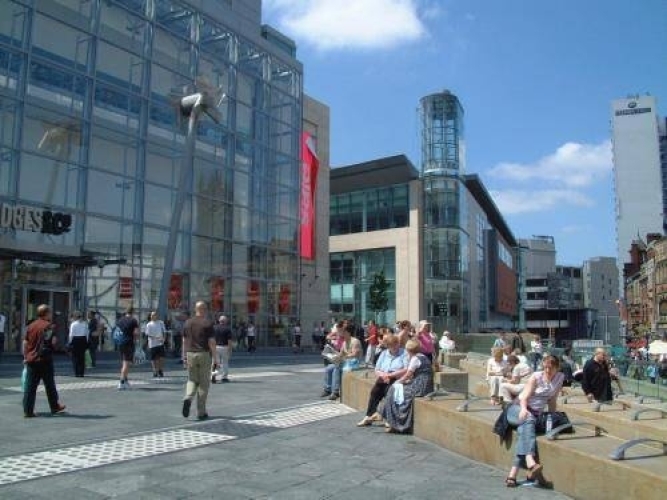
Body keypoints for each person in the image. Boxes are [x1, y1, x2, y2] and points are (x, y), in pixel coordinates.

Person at [504, 354, 564, 488]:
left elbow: (552, 400)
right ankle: (530, 461)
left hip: (533, 415)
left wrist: (552, 416)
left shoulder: (560, 378)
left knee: (524, 433)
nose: (547, 370)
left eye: (551, 368)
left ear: (557, 368)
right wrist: (524, 409)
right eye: (546, 367)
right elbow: (523, 397)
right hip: (517, 409)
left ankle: (512, 475)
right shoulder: (536, 376)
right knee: (528, 419)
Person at [381, 339, 434, 434]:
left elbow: (408, 375)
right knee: (396, 390)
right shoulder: (423, 357)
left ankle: (395, 421)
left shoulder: (415, 359)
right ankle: (388, 417)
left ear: (408, 350)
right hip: (427, 385)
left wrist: (397, 382)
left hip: (420, 386)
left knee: (394, 389)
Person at [22, 304, 66, 417]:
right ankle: (54, 406)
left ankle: (28, 410)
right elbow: (52, 341)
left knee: (30, 386)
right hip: (44, 359)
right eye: (49, 313)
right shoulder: (48, 326)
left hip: (31, 359)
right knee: (49, 384)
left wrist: (25, 356)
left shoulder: (31, 326)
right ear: (46, 313)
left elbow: (25, 342)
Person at [356, 334, 408, 426]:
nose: (395, 347)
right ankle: (369, 416)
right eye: (391, 346)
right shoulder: (384, 353)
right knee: (374, 392)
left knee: (389, 392)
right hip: (383, 376)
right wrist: (384, 375)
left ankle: (389, 418)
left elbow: (406, 369)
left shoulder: (404, 353)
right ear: (388, 346)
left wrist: (390, 375)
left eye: (396, 344)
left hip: (396, 377)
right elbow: (377, 369)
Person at [182, 301, 217, 420]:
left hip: (190, 353)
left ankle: (188, 398)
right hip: (204, 354)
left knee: (192, 380)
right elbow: (211, 342)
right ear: (204, 309)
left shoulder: (188, 322)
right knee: (203, 384)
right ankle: (201, 412)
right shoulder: (208, 323)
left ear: (195, 309)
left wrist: (184, 356)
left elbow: (184, 341)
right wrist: (215, 358)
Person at [322, 324, 362, 401]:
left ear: (348, 332)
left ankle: (335, 391)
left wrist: (343, 357)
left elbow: (355, 354)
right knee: (329, 368)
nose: (341, 333)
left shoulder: (355, 341)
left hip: (353, 362)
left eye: (343, 331)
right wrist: (332, 355)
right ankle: (327, 389)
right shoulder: (344, 342)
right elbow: (341, 354)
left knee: (337, 368)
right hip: (346, 361)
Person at [116, 307, 139, 390]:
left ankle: (125, 380)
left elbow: (117, 331)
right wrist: (136, 341)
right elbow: (136, 333)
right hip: (129, 342)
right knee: (126, 363)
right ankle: (121, 382)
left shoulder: (120, 320)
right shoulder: (133, 320)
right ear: (133, 312)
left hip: (120, 343)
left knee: (124, 362)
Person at [67, 310, 89, 377]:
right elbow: (87, 333)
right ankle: (81, 373)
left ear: (75, 317)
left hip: (75, 340)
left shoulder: (73, 324)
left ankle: (76, 373)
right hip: (83, 340)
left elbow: (71, 334)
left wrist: (70, 342)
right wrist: (86, 341)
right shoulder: (85, 324)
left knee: (75, 357)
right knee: (82, 357)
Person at [145, 311, 166, 378]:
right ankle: (155, 371)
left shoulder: (161, 322)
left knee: (161, 357)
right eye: (152, 315)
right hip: (152, 344)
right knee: (153, 358)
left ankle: (160, 370)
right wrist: (156, 337)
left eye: (155, 315)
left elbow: (164, 331)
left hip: (160, 343)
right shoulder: (149, 324)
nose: (153, 316)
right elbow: (148, 334)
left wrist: (164, 339)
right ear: (150, 316)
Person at [212, 315, 232, 383]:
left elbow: (211, 339)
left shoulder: (214, 328)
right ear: (226, 321)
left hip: (215, 346)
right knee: (225, 363)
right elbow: (229, 341)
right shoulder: (227, 329)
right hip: (224, 347)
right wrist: (230, 350)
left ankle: (213, 376)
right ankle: (224, 377)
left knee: (215, 362)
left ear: (219, 320)